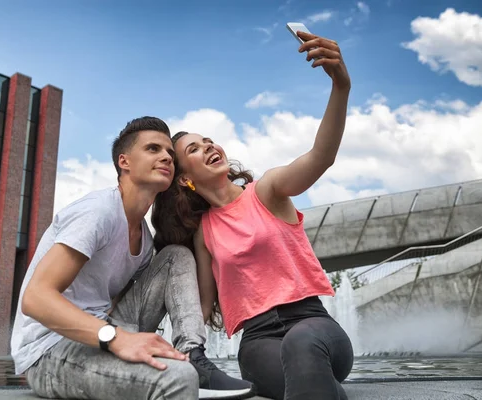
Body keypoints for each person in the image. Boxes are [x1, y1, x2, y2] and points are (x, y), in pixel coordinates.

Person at [152, 31, 354, 400]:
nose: (209, 146)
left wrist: (341, 86)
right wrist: (177, 350)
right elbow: (202, 305)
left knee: (302, 346)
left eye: (208, 139)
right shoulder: (204, 233)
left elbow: (320, 157)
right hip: (258, 340)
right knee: (305, 377)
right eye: (194, 149)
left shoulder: (267, 190)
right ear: (184, 179)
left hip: (312, 323)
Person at [10, 116, 255, 399]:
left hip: (101, 331)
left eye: (169, 154)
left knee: (175, 255)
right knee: (176, 378)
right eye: (153, 149)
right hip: (50, 350)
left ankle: (193, 353)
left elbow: (115, 303)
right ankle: (187, 371)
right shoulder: (97, 212)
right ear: (124, 162)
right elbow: (35, 298)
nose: (165, 157)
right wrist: (115, 339)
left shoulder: (144, 237)